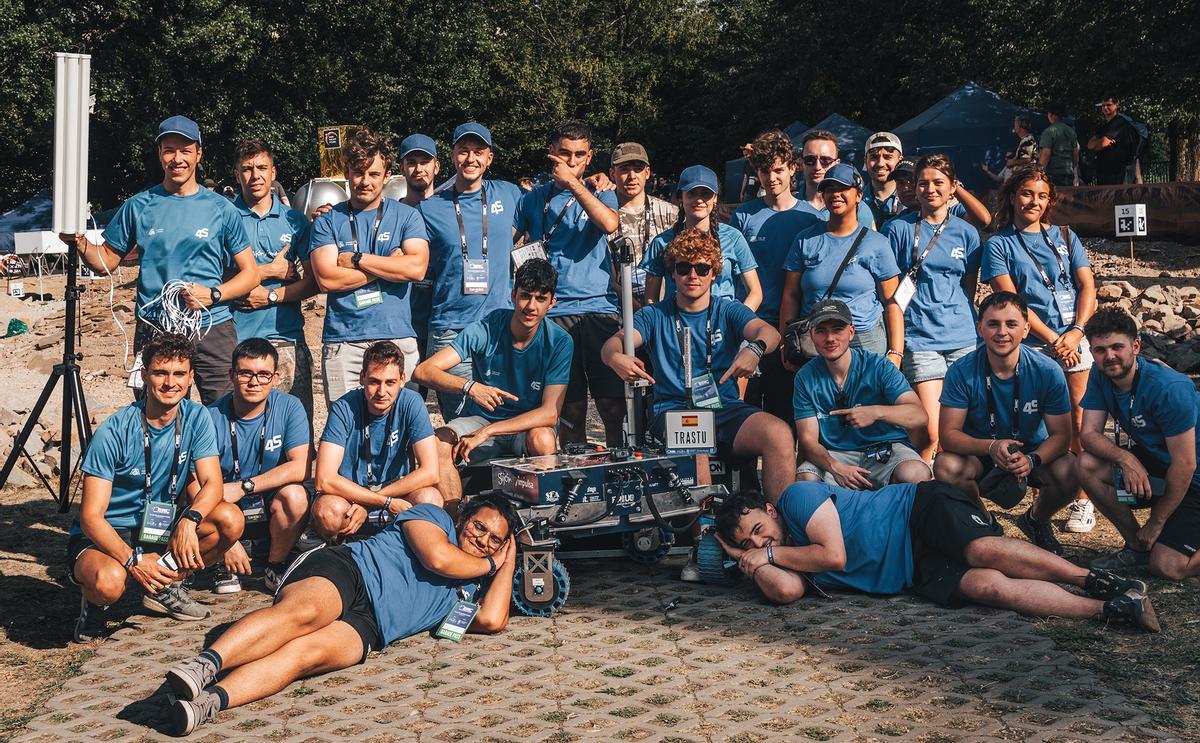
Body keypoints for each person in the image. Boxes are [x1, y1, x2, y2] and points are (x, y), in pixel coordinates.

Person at [163, 493, 520, 736]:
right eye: (479, 527)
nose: (483, 540)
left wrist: (509, 560)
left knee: (304, 656)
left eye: (495, 539)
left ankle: (209, 703)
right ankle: (205, 666)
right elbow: (437, 560)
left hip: (372, 626)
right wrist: (491, 562)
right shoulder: (435, 517)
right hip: (351, 571)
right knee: (305, 613)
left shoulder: (469, 588)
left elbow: (491, 620)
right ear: (463, 520)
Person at [711, 484, 1158, 633]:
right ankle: (1114, 609)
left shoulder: (795, 497)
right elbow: (786, 593)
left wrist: (765, 552)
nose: (759, 539)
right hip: (912, 571)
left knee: (980, 549)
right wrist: (754, 562)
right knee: (987, 587)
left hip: (917, 510)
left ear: (769, 511)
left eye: (757, 527)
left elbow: (832, 555)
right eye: (747, 542)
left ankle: (1091, 578)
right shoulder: (780, 559)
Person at [65, 116, 260, 404]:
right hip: (155, 325)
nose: (177, 158)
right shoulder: (138, 206)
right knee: (155, 412)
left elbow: (251, 274)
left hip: (212, 326)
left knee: (224, 411)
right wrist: (79, 242)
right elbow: (105, 260)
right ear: (159, 154)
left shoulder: (221, 208)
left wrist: (214, 294)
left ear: (198, 153)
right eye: (169, 150)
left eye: (185, 150)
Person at [69, 335, 244, 643]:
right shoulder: (114, 430)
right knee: (109, 583)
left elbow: (213, 484)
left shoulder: (197, 416)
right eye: (160, 373)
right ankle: (94, 606)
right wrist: (132, 559)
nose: (169, 383)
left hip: (159, 525)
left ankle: (165, 586)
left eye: (179, 374)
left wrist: (190, 521)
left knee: (230, 520)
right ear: (144, 375)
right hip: (110, 532)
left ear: (191, 377)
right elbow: (91, 518)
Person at [601, 229, 792, 500]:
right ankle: (701, 530)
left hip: (722, 408)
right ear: (673, 273)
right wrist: (615, 357)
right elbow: (615, 342)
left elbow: (770, 333)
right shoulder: (655, 314)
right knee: (696, 437)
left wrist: (755, 349)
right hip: (674, 411)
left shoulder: (728, 309)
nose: (693, 275)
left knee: (779, 433)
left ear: (714, 274)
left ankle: (780, 525)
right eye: (684, 267)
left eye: (702, 268)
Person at [984, 164, 1098, 533]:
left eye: (1042, 195)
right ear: (1013, 196)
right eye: (1027, 193)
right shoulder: (999, 243)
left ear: (1049, 200)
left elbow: (1087, 288)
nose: (1034, 201)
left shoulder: (1066, 235)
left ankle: (1083, 499)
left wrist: (1076, 332)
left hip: (1074, 339)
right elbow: (1013, 302)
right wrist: (1055, 340)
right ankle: (1043, 492)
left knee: (1081, 421)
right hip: (1031, 345)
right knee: (1036, 423)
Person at [415, 259, 571, 510]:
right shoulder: (488, 326)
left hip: (524, 426)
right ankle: (453, 518)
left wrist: (489, 431)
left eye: (540, 299)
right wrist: (470, 387)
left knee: (543, 437)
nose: (531, 306)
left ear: (552, 303)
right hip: (482, 419)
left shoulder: (560, 341)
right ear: (512, 295)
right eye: (525, 296)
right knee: (437, 443)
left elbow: (550, 413)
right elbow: (423, 371)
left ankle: (544, 520)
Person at [934, 293, 1077, 554]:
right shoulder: (961, 371)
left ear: (1026, 329)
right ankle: (985, 523)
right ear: (980, 328)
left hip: (1032, 453)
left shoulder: (1047, 370)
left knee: (1071, 469)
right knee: (946, 465)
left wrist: (1032, 459)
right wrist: (991, 447)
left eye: (1011, 324)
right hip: (981, 452)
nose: (1002, 332)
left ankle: (1036, 520)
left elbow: (1061, 437)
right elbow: (948, 435)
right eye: (993, 324)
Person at [514, 120, 623, 445]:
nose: (571, 161)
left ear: (589, 157)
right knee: (570, 410)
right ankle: (575, 475)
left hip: (598, 310)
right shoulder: (533, 199)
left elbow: (609, 224)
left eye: (579, 155)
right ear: (551, 154)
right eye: (564, 154)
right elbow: (508, 241)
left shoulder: (601, 192)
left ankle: (617, 471)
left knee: (611, 405)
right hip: (555, 313)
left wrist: (576, 184)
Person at [309, 127, 430, 405]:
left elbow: (416, 269)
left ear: (387, 175)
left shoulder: (407, 216)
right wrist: (390, 266)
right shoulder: (328, 220)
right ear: (346, 172)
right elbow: (327, 279)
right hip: (344, 341)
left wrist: (356, 260)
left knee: (401, 429)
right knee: (344, 430)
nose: (365, 181)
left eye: (374, 174)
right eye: (358, 172)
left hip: (398, 336)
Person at [1076, 308, 1200, 580]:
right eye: (1100, 349)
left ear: (1135, 346)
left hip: (1193, 479)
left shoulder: (1169, 388)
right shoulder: (1102, 374)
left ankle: (1157, 540)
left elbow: (1186, 464)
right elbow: (1089, 434)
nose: (1109, 356)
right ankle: (1137, 547)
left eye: (1117, 347)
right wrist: (1127, 459)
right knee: (1086, 464)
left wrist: (1156, 523)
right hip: (1159, 467)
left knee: (1168, 566)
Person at [879, 154, 981, 461]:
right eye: (923, 183)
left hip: (963, 337)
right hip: (920, 338)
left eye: (939, 183)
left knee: (965, 429)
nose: (930, 189)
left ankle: (958, 498)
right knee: (932, 432)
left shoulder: (967, 232)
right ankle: (925, 497)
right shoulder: (896, 229)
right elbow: (890, 290)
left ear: (952, 187)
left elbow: (969, 285)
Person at [419, 122, 526, 416]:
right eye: (463, 151)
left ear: (489, 158)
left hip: (499, 326)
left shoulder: (510, 194)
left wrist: (595, 181)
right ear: (452, 156)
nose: (471, 159)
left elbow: (551, 201)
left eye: (478, 152)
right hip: (450, 328)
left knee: (504, 413)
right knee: (461, 420)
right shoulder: (430, 208)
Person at [197, 339, 312, 594]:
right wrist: (228, 544)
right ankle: (221, 561)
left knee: (295, 495)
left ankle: (275, 564)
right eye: (246, 373)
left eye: (263, 375)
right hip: (224, 502)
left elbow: (302, 467)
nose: (254, 382)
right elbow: (195, 481)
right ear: (232, 374)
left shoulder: (290, 407)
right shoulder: (209, 416)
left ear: (275, 377)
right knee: (201, 496)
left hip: (258, 495)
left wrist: (245, 487)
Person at [732, 130, 824, 423]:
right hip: (750, 325)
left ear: (792, 169)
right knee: (741, 410)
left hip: (793, 329)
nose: (771, 178)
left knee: (785, 414)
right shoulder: (744, 216)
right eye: (764, 171)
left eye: (778, 170)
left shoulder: (812, 217)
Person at [311, 341, 441, 542]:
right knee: (327, 511)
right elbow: (323, 479)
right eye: (374, 381)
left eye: (390, 382)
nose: (381, 392)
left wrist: (376, 502)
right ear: (362, 378)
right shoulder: (343, 407)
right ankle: (340, 555)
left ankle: (415, 557)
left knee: (430, 499)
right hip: (351, 495)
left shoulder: (412, 402)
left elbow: (431, 472)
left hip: (395, 492)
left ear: (402, 379)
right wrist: (382, 501)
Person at [793, 300, 930, 489]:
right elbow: (807, 440)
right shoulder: (805, 377)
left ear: (851, 332)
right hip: (836, 454)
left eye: (837, 329)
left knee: (916, 473)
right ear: (811, 335)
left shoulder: (878, 365)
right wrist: (835, 467)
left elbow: (919, 416)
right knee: (806, 480)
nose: (830, 338)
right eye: (821, 330)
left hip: (885, 449)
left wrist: (876, 412)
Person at [229, 139, 318, 420]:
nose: (255, 176)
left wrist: (268, 296)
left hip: (286, 338)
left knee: (295, 429)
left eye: (262, 168)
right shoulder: (224, 218)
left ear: (273, 172)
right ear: (236, 174)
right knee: (241, 430)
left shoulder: (294, 221)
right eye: (247, 169)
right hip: (236, 339)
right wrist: (269, 270)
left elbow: (314, 282)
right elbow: (212, 278)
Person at [780, 164, 903, 357]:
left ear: (859, 196)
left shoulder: (877, 243)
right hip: (817, 339)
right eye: (830, 189)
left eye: (843, 189)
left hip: (864, 340)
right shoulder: (805, 239)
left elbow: (892, 302)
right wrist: (785, 344)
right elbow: (790, 295)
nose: (835, 194)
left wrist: (896, 352)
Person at [641, 165, 761, 310]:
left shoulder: (733, 237)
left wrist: (737, 322)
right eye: (692, 193)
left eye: (705, 194)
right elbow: (650, 297)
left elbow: (755, 292)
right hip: (677, 325)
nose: (699, 200)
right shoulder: (662, 242)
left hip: (723, 326)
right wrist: (663, 325)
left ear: (715, 198)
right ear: (680, 197)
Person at [608, 142, 679, 307]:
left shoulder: (671, 214)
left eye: (638, 169)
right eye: (624, 169)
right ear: (612, 173)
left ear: (647, 172)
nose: (632, 176)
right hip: (615, 307)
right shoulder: (603, 215)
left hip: (662, 306)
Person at [397, 133, 442, 386]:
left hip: (444, 319)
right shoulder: (390, 213)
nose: (418, 168)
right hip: (406, 324)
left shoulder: (450, 211)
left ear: (436, 166)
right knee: (408, 399)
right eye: (411, 162)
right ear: (402, 167)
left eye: (425, 162)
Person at [795, 130, 875, 228]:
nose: (817, 166)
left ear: (837, 163)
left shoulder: (857, 208)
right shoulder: (789, 206)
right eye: (810, 160)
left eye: (825, 160)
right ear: (801, 163)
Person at [1087, 96, 1138, 185]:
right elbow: (1089, 145)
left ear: (1117, 104)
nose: (1105, 108)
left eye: (1108, 105)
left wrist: (1099, 143)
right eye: (1103, 105)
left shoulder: (1119, 122)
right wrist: (1101, 143)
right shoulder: (1103, 125)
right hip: (1104, 171)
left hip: (1119, 172)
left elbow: (1102, 144)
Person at [862, 131, 906, 226]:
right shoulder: (856, 201)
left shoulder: (911, 199)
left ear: (900, 160)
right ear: (865, 161)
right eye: (874, 157)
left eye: (888, 157)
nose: (880, 164)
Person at [1039, 103, 1081, 187]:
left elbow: (1046, 154)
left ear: (1051, 115)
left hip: (1053, 174)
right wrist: (1075, 172)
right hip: (1069, 174)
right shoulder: (1071, 131)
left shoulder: (1049, 131)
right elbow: (1075, 154)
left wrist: (1039, 172)